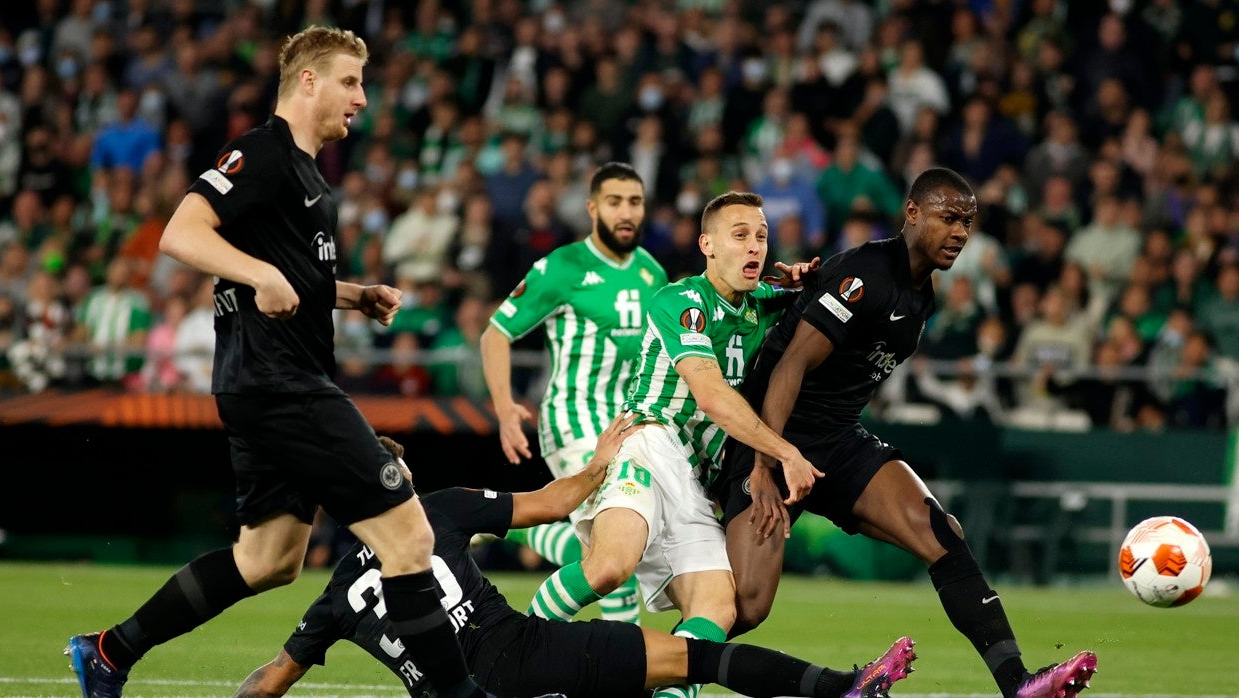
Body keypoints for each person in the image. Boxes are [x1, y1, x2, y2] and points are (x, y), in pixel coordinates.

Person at [65, 28, 492, 698]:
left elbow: (290, 279)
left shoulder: (309, 174)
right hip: (279, 384)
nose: (363, 97)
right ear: (309, 81)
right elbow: (182, 233)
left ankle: (108, 652)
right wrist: (258, 272)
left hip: (270, 382)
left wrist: (352, 295)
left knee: (267, 561)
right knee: (409, 537)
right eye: (350, 81)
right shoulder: (260, 151)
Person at [710, 168, 1099, 698]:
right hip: (773, 440)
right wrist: (762, 464)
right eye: (948, 217)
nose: (960, 232)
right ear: (912, 213)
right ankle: (653, 673)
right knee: (745, 606)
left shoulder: (923, 298)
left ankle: (1020, 685)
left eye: (968, 221)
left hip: (839, 443)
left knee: (942, 534)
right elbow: (789, 368)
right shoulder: (866, 274)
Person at [234, 422, 917, 698]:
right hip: (517, 650)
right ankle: (842, 690)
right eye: (399, 473)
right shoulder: (439, 508)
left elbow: (269, 682)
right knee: (690, 658)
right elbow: (550, 502)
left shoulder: (335, 594)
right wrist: (600, 462)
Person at [526, 191, 820, 698]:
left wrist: (807, 280)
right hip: (648, 444)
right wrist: (785, 452)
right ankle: (513, 652)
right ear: (707, 244)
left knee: (716, 609)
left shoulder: (764, 306)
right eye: (741, 235)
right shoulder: (680, 300)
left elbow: (816, 304)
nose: (756, 247)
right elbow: (709, 395)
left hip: (698, 478)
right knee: (610, 566)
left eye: (762, 237)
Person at [479, 161, 668, 624]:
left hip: (626, 424)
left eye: (635, 202)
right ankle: (591, 666)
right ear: (592, 208)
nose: (626, 212)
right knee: (612, 553)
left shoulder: (652, 273)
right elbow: (495, 334)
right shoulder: (561, 268)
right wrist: (505, 410)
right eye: (615, 201)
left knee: (612, 545)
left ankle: (509, 525)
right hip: (572, 419)